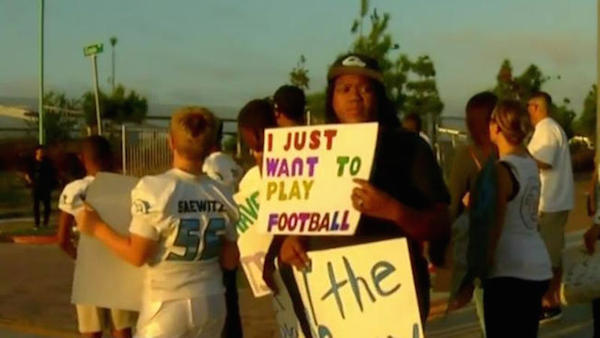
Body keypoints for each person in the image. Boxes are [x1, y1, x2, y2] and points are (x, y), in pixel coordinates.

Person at [279, 53, 450, 323]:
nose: (354, 97)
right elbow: (291, 224)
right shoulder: (310, 150)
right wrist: (291, 241)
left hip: (391, 293)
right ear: (331, 97)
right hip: (328, 296)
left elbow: (440, 223)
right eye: (344, 89)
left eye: (365, 88)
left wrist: (393, 211)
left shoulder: (410, 147)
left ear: (379, 95)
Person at [76, 107, 240, 337]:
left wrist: (97, 228)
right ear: (211, 145)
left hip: (167, 304)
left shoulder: (156, 188)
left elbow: (137, 255)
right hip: (212, 302)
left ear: (170, 141)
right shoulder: (223, 192)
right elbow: (230, 261)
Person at [483, 100, 552, 337]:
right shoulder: (529, 164)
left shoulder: (502, 170)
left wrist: (482, 264)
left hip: (509, 270)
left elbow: (495, 223)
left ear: (497, 128)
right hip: (536, 264)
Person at [57, 135, 137, 338]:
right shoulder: (128, 188)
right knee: (122, 329)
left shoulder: (74, 190)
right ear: (111, 157)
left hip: (89, 267)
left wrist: (78, 257)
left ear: (82, 158)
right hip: (120, 265)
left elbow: (61, 239)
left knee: (91, 330)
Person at [446, 92, 498, 335]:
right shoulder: (518, 153)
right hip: (522, 253)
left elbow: (452, 206)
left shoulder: (467, 156)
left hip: (485, 254)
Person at [527, 91, 574, 322]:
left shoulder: (546, 128)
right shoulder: (549, 128)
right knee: (551, 253)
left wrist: (518, 157)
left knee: (548, 256)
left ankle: (549, 303)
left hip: (551, 202)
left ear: (537, 107)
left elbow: (544, 161)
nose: (527, 112)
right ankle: (550, 299)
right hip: (553, 201)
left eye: (529, 107)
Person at [202, 120, 244, 338]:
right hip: (233, 234)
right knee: (231, 299)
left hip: (216, 237)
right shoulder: (233, 164)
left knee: (217, 300)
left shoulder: (207, 166)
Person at [25, 145, 57, 229]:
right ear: (36, 152)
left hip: (46, 187)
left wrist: (52, 183)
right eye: (40, 151)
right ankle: (37, 224)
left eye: (43, 152)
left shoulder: (48, 162)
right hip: (36, 187)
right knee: (36, 206)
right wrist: (30, 181)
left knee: (47, 206)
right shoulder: (32, 162)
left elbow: (52, 173)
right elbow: (27, 174)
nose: (42, 153)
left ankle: (46, 222)